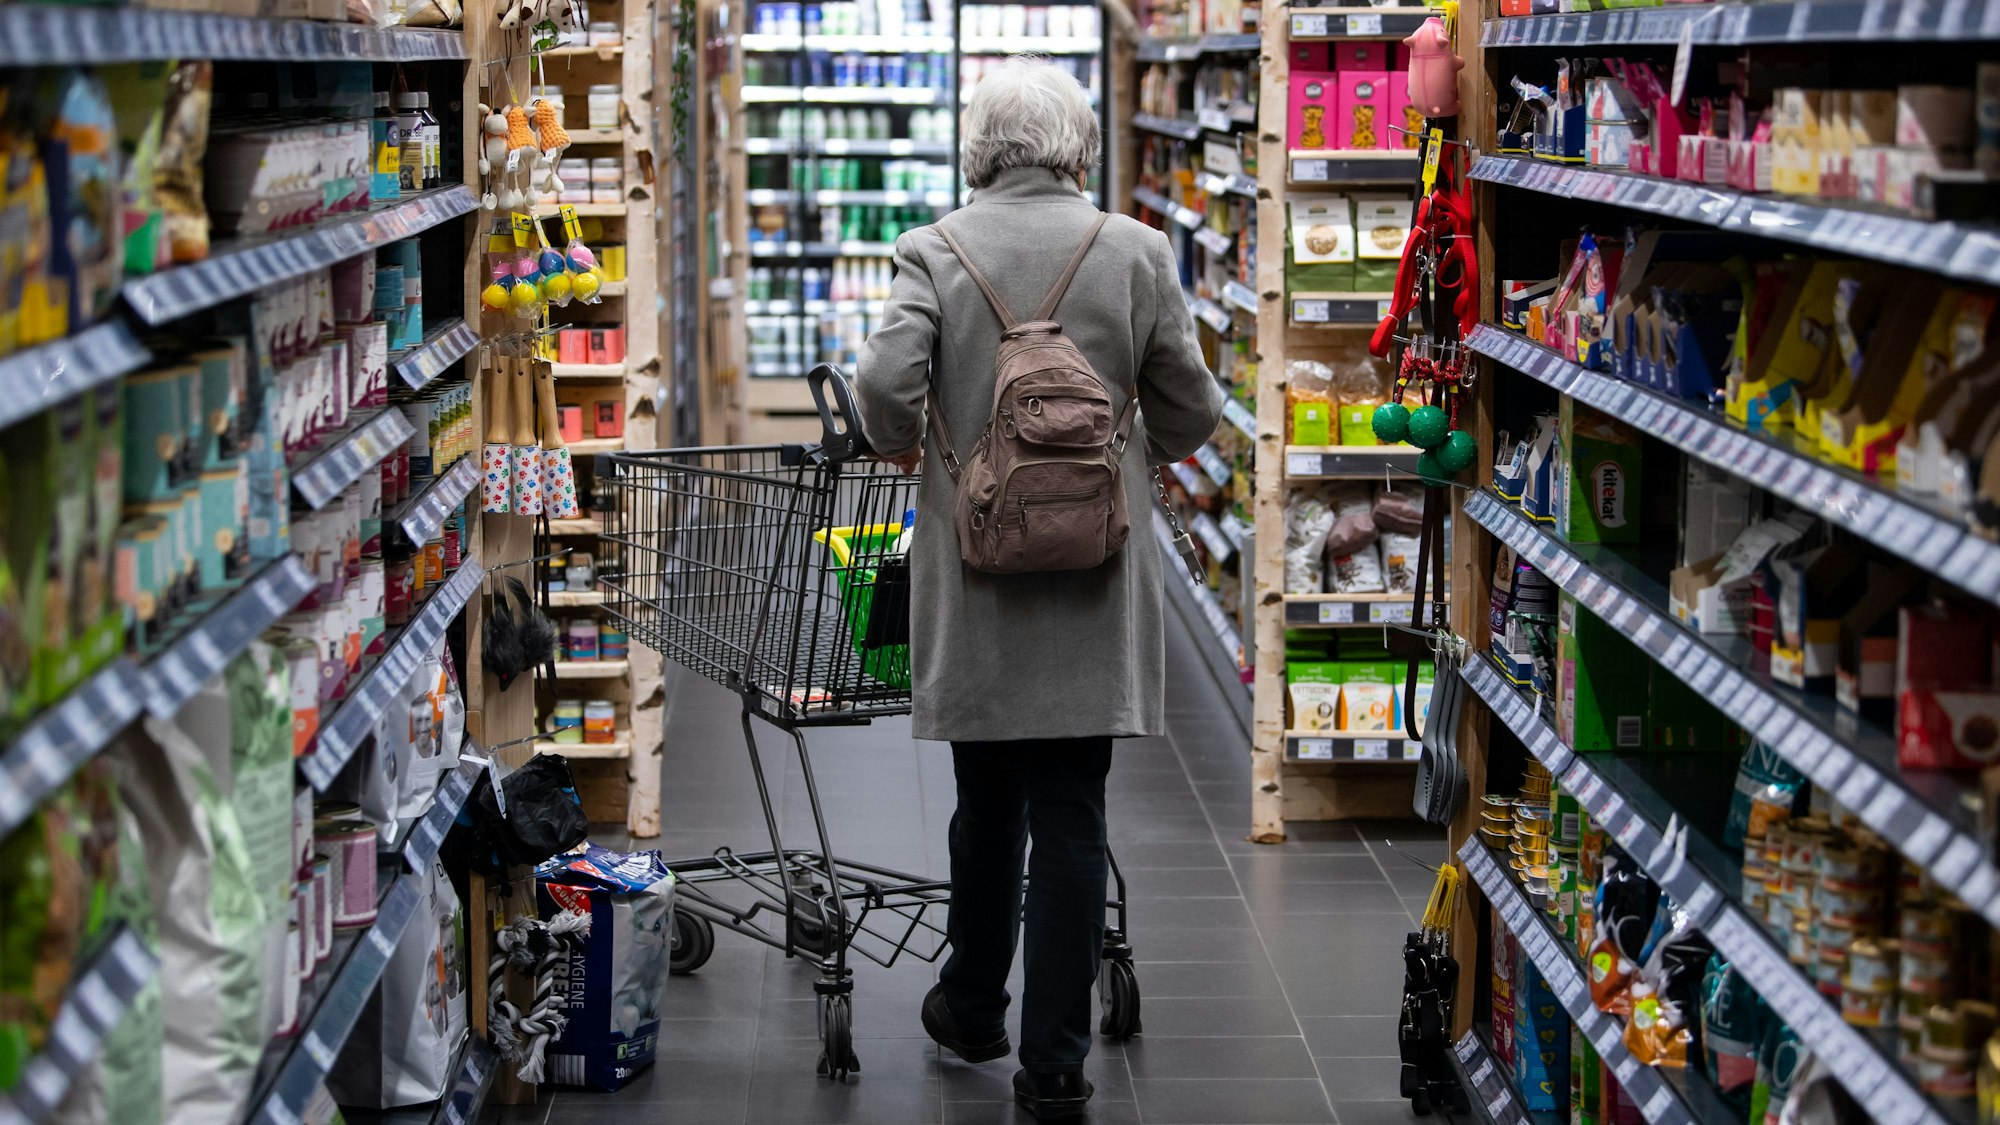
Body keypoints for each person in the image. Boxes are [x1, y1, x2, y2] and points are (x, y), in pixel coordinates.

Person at [855, 58, 1224, 1120]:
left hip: (975, 578)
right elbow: (1193, 413)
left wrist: (910, 442)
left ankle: (971, 1003)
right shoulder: (1136, 251)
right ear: (1077, 146)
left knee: (987, 803)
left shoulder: (933, 249)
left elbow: (885, 391)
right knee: (1073, 812)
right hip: (1094, 578)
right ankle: (1052, 1066)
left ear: (978, 148)